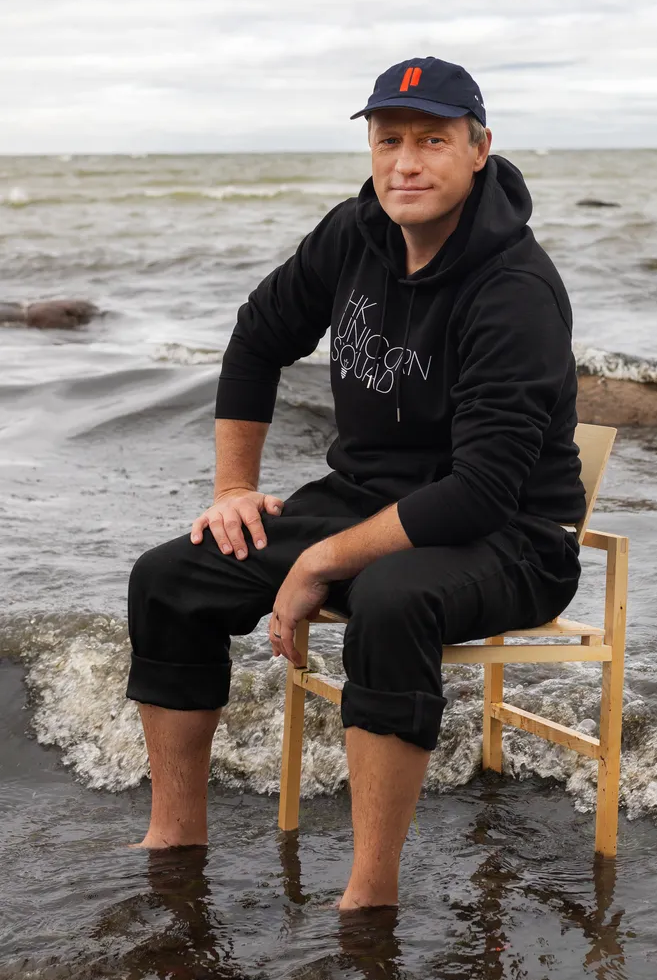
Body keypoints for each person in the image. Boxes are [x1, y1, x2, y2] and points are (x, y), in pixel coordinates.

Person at [126, 55, 587, 910]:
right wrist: (235, 487)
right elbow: (259, 336)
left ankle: (369, 893)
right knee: (171, 577)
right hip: (363, 502)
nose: (406, 162)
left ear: (479, 148)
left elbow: (482, 490)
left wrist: (322, 560)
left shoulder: (516, 288)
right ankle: (175, 840)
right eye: (389, 140)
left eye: (432, 140)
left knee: (392, 598)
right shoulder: (356, 231)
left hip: (513, 536)